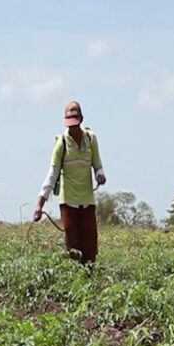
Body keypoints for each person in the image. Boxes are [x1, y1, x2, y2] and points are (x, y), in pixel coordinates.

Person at [33, 100, 106, 263]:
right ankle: (75, 279)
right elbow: (52, 174)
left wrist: (100, 175)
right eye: (69, 124)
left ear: (81, 120)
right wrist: (39, 204)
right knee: (73, 246)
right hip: (68, 203)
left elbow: (98, 165)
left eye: (75, 124)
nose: (72, 128)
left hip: (87, 201)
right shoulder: (62, 143)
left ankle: (90, 280)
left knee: (90, 247)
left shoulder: (91, 139)